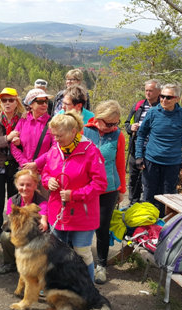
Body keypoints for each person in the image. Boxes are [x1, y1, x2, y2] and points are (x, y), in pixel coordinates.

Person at [42, 111, 107, 281]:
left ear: (73, 132)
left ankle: (88, 290)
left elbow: (100, 184)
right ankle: (57, 287)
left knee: (82, 252)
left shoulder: (91, 151)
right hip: (58, 211)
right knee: (56, 253)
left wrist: (75, 195)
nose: (56, 139)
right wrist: (48, 181)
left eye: (59, 135)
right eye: (53, 135)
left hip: (82, 214)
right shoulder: (55, 149)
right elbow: (46, 172)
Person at [83, 100, 127, 284]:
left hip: (109, 188)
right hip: (86, 187)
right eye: (109, 123)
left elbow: (120, 164)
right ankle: (81, 262)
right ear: (98, 119)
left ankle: (101, 266)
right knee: (82, 226)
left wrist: (122, 189)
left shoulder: (118, 135)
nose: (113, 127)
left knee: (102, 226)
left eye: (116, 123)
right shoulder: (85, 131)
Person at [135, 83, 182, 215]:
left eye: (168, 97)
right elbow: (141, 134)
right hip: (151, 161)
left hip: (172, 164)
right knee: (148, 197)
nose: (163, 100)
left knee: (168, 199)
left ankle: (163, 229)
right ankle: (146, 228)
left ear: (177, 99)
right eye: (162, 96)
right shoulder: (153, 112)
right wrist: (139, 156)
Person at [0, 87, 25, 241]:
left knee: (15, 202)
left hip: (15, 166)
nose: (7, 103)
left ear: (17, 102)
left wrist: (20, 142)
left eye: (11, 100)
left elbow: (27, 143)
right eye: (4, 100)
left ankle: (13, 230)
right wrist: (7, 138)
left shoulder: (23, 120)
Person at [0, 169, 48, 274]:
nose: (24, 188)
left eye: (28, 185)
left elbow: (43, 219)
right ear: (17, 185)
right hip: (20, 233)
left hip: (34, 236)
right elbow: (11, 221)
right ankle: (10, 263)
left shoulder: (42, 202)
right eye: (21, 185)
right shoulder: (12, 201)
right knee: (5, 236)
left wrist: (43, 223)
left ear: (35, 185)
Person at [124, 79, 161, 205]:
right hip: (135, 148)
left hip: (152, 150)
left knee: (148, 180)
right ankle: (132, 203)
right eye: (146, 90)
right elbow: (126, 123)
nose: (148, 93)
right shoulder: (138, 105)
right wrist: (131, 128)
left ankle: (147, 205)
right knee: (133, 178)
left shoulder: (162, 108)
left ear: (159, 92)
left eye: (151, 91)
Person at [10, 88, 55, 175]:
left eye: (46, 101)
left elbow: (55, 148)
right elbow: (13, 145)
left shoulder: (52, 123)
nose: (45, 105)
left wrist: (37, 163)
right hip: (25, 172)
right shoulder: (23, 121)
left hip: (45, 173)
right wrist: (24, 164)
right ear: (30, 104)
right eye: (40, 102)